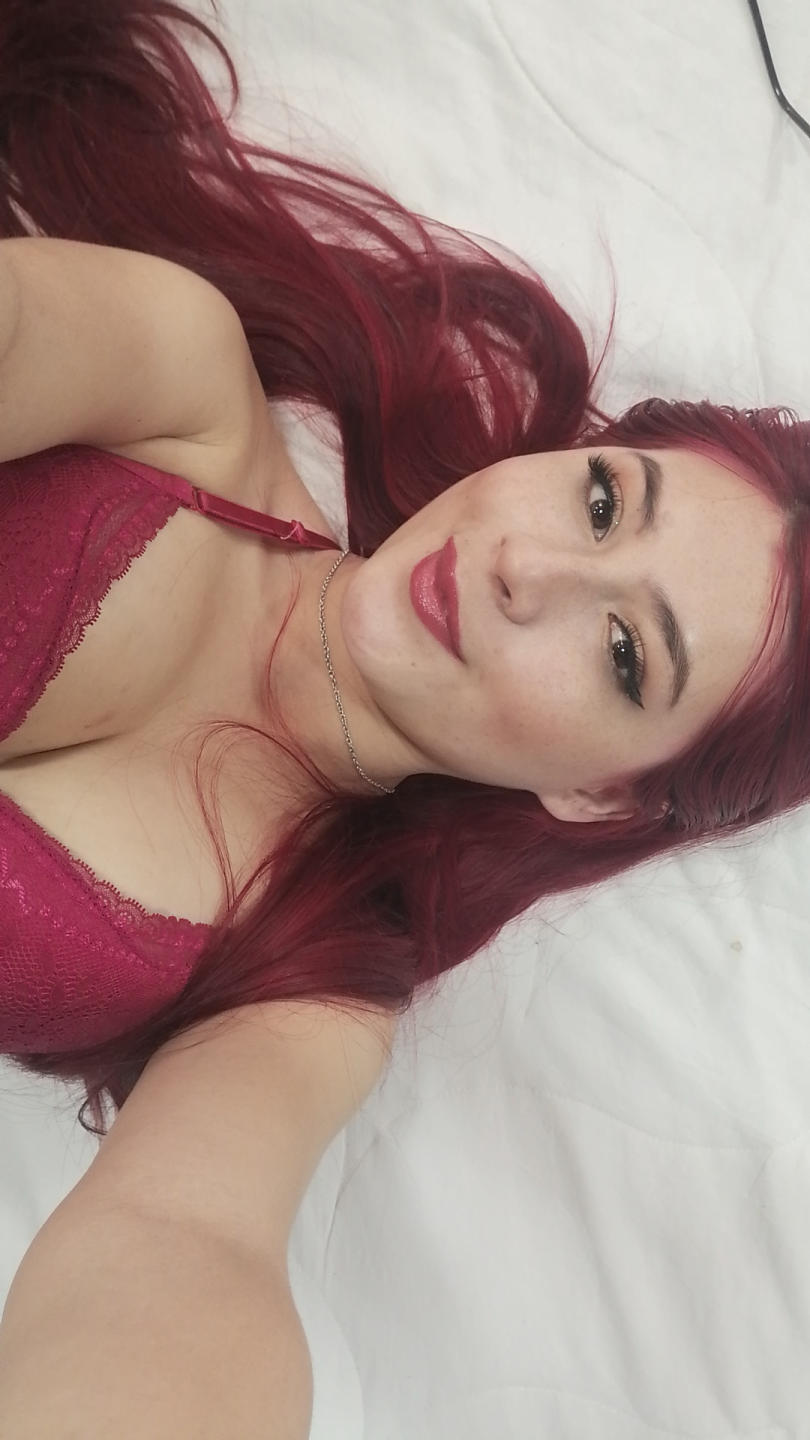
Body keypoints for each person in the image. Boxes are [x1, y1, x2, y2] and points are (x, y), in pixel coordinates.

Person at [0, 1, 807, 1436]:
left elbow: (185, 1244)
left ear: (601, 796)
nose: (526, 568)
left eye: (626, 653)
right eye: (602, 499)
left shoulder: (309, 980)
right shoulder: (183, 384)